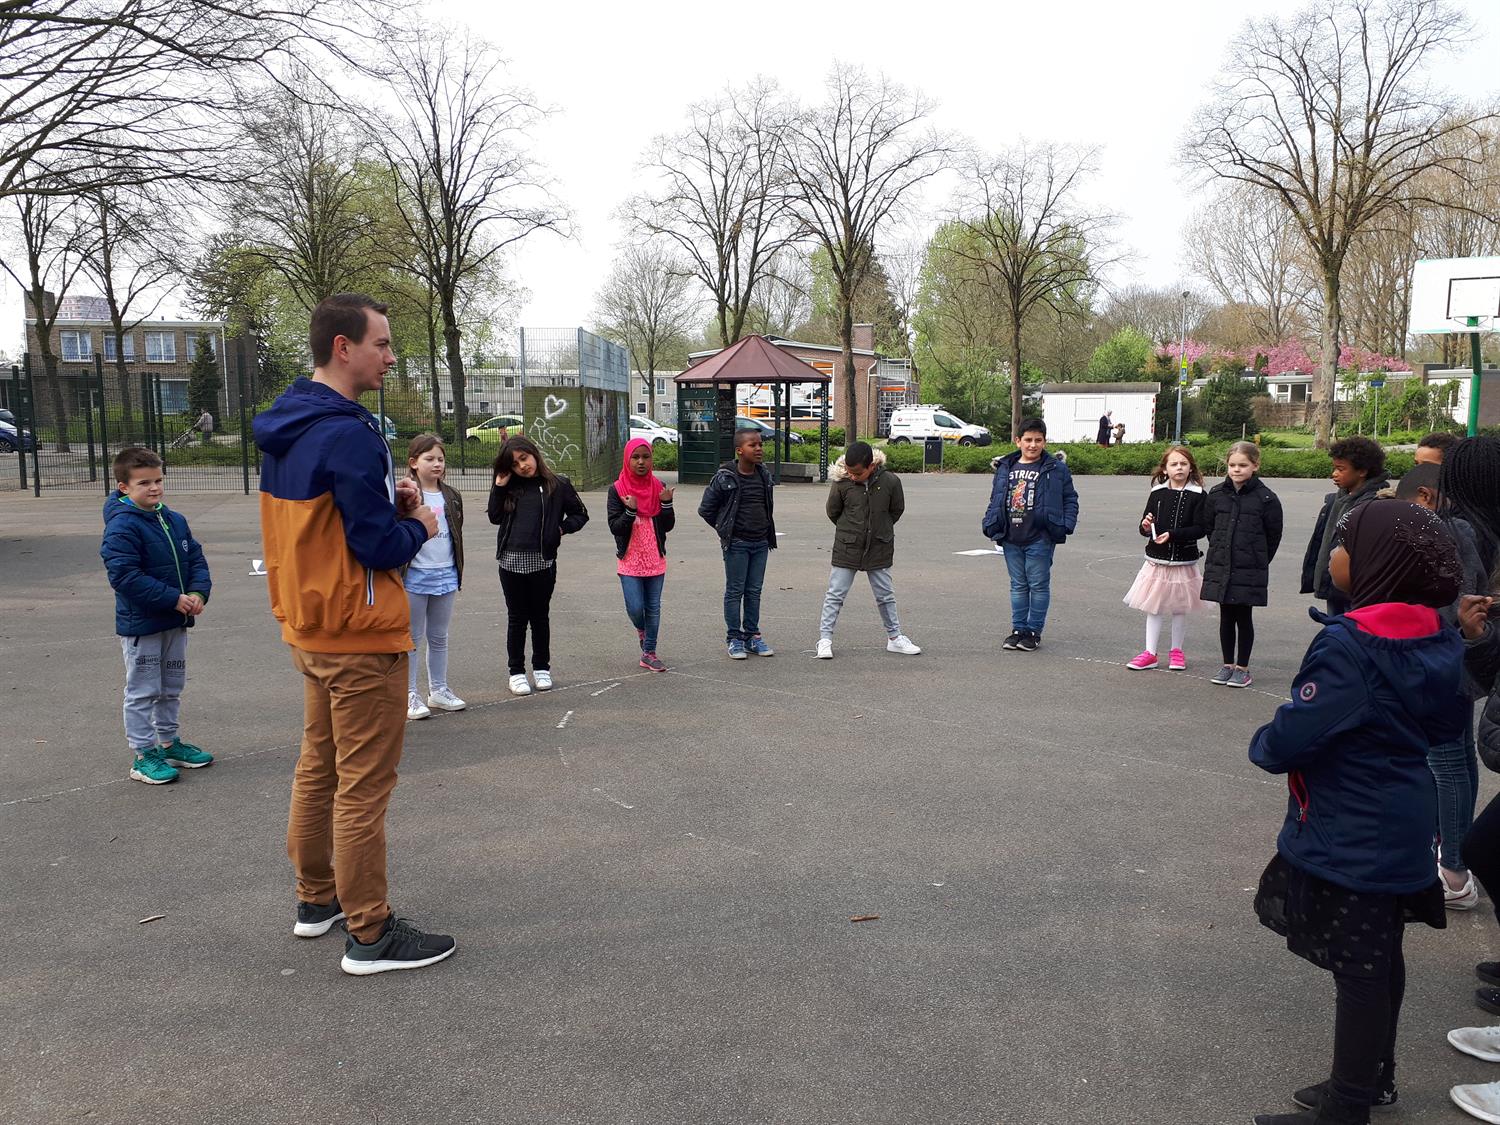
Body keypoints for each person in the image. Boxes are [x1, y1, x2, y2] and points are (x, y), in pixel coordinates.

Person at [255, 292, 454, 976]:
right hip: (360, 633)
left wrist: (385, 503)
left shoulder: (291, 422)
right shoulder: (348, 430)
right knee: (363, 786)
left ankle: (317, 899)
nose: (390, 357)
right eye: (383, 344)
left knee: (319, 767)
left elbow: (331, 525)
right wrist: (420, 523)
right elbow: (375, 546)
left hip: (309, 625)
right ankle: (369, 931)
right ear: (344, 347)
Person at [1250, 499, 1464, 1125]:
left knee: (1361, 969)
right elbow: (1447, 722)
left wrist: (1267, 742)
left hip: (1352, 823)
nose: (1332, 558)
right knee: (1382, 955)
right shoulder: (1437, 630)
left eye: (1341, 548)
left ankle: (1349, 1106)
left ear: (1375, 562)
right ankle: (1372, 1079)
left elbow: (1297, 732)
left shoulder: (1350, 645)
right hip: (1400, 815)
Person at [1398, 460, 1488, 909]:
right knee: (1457, 762)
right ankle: (1455, 856)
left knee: (1446, 765)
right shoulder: (1462, 530)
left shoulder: (1442, 535)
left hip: (1443, 662)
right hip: (1458, 657)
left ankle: (1452, 872)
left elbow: (1448, 604)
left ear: (1424, 500)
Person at [101, 446, 213, 785]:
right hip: (144, 625)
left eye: (158, 480)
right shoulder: (122, 527)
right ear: (124, 487)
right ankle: (142, 754)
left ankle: (169, 744)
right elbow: (123, 576)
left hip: (174, 622)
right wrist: (171, 598)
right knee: (143, 690)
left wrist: (196, 593)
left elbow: (196, 560)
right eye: (144, 483)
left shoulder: (173, 519)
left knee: (171, 686)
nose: (154, 488)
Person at [487, 434, 588, 695]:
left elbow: (580, 514)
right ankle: (516, 672)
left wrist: (561, 530)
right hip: (510, 561)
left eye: (524, 458)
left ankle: (542, 668)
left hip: (542, 561)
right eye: (515, 463)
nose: (522, 465)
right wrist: (498, 485)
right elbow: (495, 517)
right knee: (517, 618)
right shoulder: (508, 485)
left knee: (540, 617)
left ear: (534, 454)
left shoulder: (558, 484)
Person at [981, 417, 1079, 652]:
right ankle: (1018, 630)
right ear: (1018, 441)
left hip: (1040, 536)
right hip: (1011, 536)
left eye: (1038, 440)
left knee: (1038, 584)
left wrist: (1065, 523)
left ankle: (1033, 632)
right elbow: (996, 497)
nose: (1033, 445)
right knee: (1017, 585)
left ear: (1045, 442)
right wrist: (990, 520)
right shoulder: (1006, 467)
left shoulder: (1056, 468)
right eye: (1028, 440)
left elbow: (1070, 498)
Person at [815, 441, 920, 659]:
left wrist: (878, 529)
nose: (852, 476)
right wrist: (853, 530)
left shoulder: (890, 481)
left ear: (871, 466)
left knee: (885, 595)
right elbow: (833, 512)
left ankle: (895, 638)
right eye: (849, 472)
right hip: (847, 545)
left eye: (857, 473)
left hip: (879, 545)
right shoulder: (841, 482)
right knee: (835, 594)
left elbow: (896, 511)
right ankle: (824, 639)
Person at [1201, 441, 1284, 688]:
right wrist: (1221, 550)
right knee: (1226, 616)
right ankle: (1227, 664)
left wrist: (1258, 559)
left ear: (1255, 465)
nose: (1237, 469)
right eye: (1232, 465)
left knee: (1244, 617)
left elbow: (1273, 535)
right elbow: (1210, 527)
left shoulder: (1266, 498)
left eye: (1243, 465)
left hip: (1250, 567)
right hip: (1222, 564)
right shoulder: (1216, 494)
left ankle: (1243, 668)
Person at [1123, 445, 1207, 672]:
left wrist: (1174, 535)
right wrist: (1145, 526)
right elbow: (1144, 524)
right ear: (1165, 469)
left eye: (1183, 464)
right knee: (1155, 607)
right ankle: (1150, 653)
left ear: (1191, 468)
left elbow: (1201, 528)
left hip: (1184, 562)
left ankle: (1176, 651)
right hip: (1156, 561)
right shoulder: (1157, 493)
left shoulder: (1199, 495)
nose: (1179, 467)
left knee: (1180, 608)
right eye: (1174, 464)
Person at [402, 434, 466, 721]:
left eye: (440, 459)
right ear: (414, 463)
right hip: (415, 574)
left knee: (439, 637)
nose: (437, 464)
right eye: (430, 459)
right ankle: (409, 694)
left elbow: (455, 533)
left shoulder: (451, 495)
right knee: (411, 638)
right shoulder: (405, 494)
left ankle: (438, 689)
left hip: (446, 573)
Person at [698, 428, 777, 659]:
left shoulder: (764, 474)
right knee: (735, 590)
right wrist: (725, 529)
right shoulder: (724, 477)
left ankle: (752, 636)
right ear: (739, 450)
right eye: (753, 445)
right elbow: (706, 510)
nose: (759, 448)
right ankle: (734, 638)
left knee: (754, 591)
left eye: (760, 444)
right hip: (737, 544)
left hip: (761, 542)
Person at [606, 437, 675, 672]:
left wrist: (667, 504)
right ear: (627, 459)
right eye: (635, 457)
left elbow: (667, 526)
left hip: (655, 557)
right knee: (636, 607)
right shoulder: (617, 490)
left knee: (653, 606)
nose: (641, 462)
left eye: (646, 457)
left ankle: (649, 652)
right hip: (630, 559)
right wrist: (630, 510)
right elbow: (615, 526)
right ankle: (642, 630)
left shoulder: (659, 486)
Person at [1302, 436, 1389, 617]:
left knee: (1354, 636)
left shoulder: (1375, 503)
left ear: (1362, 471)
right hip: (1334, 586)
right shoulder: (1336, 499)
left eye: (1341, 469)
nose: (1334, 473)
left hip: (1357, 591)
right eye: (1334, 468)